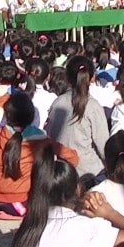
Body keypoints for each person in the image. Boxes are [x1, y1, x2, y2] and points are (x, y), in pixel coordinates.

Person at [0, 92, 79, 218]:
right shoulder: (40, 138)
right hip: (19, 201)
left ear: (7, 115)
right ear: (32, 115)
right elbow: (73, 158)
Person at [45, 55, 110, 184]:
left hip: (63, 172)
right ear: (92, 77)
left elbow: (50, 135)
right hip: (90, 173)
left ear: (67, 77)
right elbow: (104, 146)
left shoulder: (57, 103)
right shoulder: (93, 107)